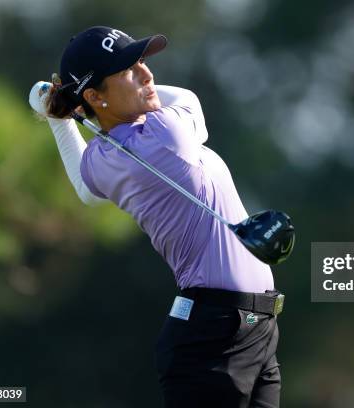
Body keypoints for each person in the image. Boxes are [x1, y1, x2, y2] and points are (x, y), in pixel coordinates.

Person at [28, 26, 284, 408]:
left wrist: (62, 114)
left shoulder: (104, 159)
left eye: (142, 61)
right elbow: (187, 97)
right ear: (96, 95)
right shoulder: (165, 133)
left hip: (252, 328)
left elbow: (85, 187)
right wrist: (70, 105)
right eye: (128, 70)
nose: (147, 75)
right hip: (213, 335)